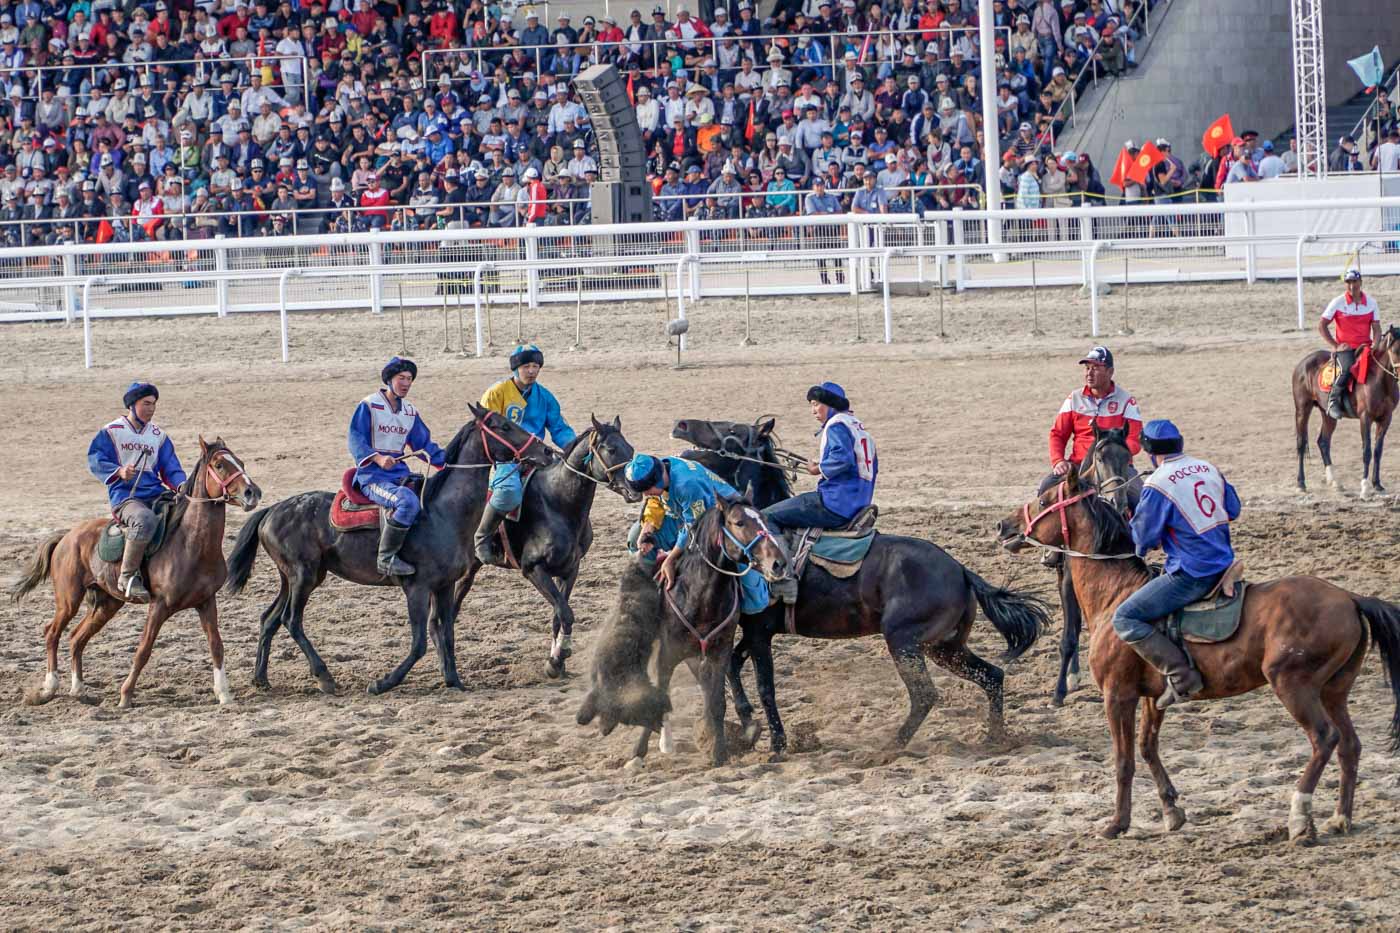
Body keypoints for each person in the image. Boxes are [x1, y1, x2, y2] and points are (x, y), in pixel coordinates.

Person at [1112, 419, 1241, 708]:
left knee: (1125, 618)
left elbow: (1143, 540)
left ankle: (1181, 675)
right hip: (1225, 562)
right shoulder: (1209, 468)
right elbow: (1234, 509)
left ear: (1148, 451)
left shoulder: (1157, 483)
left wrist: (1132, 524)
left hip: (1193, 573)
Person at [762, 382, 877, 603]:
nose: (813, 410)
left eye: (816, 404)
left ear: (830, 404)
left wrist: (819, 468)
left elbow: (841, 460)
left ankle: (785, 582)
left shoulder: (836, 425)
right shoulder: (859, 428)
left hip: (835, 503)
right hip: (859, 502)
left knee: (766, 517)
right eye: (811, 405)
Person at [623, 453, 770, 615]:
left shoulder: (687, 484)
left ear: (657, 479)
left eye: (647, 490)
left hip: (727, 521)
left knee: (755, 603)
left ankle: (771, 584)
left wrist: (670, 559)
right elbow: (655, 500)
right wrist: (649, 525)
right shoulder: (660, 467)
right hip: (685, 513)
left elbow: (695, 527)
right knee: (636, 535)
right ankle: (644, 594)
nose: (644, 495)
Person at [475, 344, 576, 566]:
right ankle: (482, 537)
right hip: (505, 458)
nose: (531, 371)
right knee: (509, 493)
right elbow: (483, 430)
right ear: (516, 368)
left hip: (538, 456)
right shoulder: (496, 393)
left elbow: (558, 428)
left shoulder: (545, 397)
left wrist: (574, 448)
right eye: (526, 366)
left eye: (536, 366)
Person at [87, 381, 188, 602]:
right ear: (132, 405)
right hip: (126, 497)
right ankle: (127, 576)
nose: (151, 408)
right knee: (144, 519)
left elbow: (171, 467)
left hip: (156, 493)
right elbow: (95, 460)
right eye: (146, 403)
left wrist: (181, 485)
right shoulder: (112, 432)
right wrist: (119, 472)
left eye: (153, 404)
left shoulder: (158, 436)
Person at [347, 357, 446, 577]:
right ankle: (386, 558)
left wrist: (449, 463)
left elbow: (424, 445)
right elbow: (355, 439)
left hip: (400, 474)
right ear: (390, 379)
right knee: (407, 501)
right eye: (401, 378)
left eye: (410, 379)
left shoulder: (410, 412)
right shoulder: (369, 405)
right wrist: (378, 458)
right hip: (372, 477)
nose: (406, 383)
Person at [1044, 346, 1143, 495]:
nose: (1089, 373)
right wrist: (1058, 461)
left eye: (1096, 368)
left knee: (1140, 497)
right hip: (1078, 465)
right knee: (1046, 489)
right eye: (1087, 368)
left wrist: (1112, 455)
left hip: (1116, 467)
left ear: (1110, 372)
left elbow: (1135, 440)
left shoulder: (1127, 401)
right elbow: (1057, 434)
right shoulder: (1074, 399)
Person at [1320, 269, 1381, 420]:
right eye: (1348, 282)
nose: (1352, 285)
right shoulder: (1338, 302)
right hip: (1346, 348)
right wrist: (1335, 346)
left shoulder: (1372, 303)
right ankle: (1333, 402)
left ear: (1361, 282)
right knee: (1346, 370)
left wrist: (1375, 344)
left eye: (1354, 282)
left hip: (1365, 347)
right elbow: (1322, 325)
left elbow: (1377, 329)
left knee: (1382, 368)